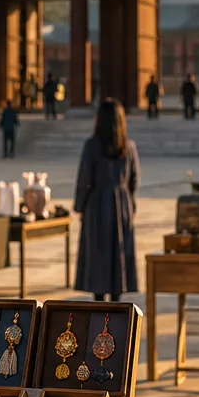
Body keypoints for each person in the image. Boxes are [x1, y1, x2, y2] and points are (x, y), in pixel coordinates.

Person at [74, 99, 141, 302]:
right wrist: (129, 200)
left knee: (98, 251)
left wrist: (80, 205)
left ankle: (98, 299)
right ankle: (117, 298)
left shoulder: (92, 146)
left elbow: (84, 177)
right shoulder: (129, 147)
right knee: (118, 250)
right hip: (122, 203)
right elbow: (135, 179)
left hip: (97, 204)